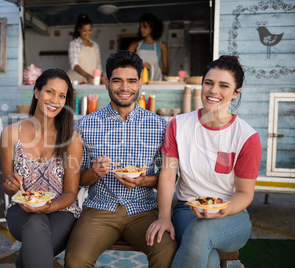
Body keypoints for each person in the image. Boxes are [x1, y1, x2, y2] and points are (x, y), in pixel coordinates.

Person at [146, 55, 262, 267]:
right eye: (208, 83)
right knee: (207, 258)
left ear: (236, 93)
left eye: (224, 85)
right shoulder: (178, 125)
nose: (213, 91)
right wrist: (164, 217)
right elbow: (168, 174)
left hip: (232, 215)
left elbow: (245, 193)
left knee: (200, 232)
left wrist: (222, 210)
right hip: (187, 210)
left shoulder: (246, 137)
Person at [64, 50, 177, 268]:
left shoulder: (161, 126)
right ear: (107, 82)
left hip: (143, 210)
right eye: (117, 81)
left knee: (167, 252)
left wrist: (143, 181)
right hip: (99, 209)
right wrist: (93, 172)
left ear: (140, 84)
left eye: (131, 81)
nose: (124, 88)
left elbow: (170, 176)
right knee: (76, 260)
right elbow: (78, 179)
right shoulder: (86, 125)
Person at [0, 68, 83, 268]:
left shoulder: (71, 139)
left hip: (62, 210)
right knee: (35, 223)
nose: (55, 100)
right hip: (21, 210)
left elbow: (71, 192)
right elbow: (6, 185)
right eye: (50, 92)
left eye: (62, 96)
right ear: (37, 92)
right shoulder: (10, 134)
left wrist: (50, 206)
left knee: (30, 253)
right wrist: (10, 185)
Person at [128, 13, 169, 81]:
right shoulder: (135, 45)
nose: (141, 29)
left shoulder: (162, 45)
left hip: (155, 83)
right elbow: (126, 66)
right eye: (140, 27)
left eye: (145, 26)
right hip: (139, 82)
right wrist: (139, 65)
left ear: (152, 27)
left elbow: (166, 70)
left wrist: (151, 67)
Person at [67, 14, 102, 84]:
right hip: (75, 81)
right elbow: (74, 64)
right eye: (84, 30)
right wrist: (87, 76)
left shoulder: (95, 45)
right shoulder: (74, 44)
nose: (87, 33)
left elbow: (98, 65)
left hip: (91, 82)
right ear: (79, 29)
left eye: (89, 30)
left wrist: (98, 79)